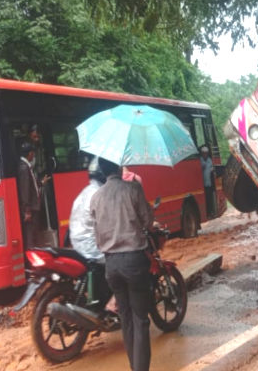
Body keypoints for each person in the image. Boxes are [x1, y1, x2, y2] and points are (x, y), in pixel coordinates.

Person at [91, 158, 154, 371]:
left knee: (126, 319)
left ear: (101, 170)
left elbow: (96, 232)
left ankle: (133, 367)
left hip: (112, 266)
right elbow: (147, 221)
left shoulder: (96, 197)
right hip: (134, 262)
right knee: (140, 320)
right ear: (119, 167)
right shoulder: (133, 189)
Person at [69, 157, 113, 313]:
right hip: (91, 246)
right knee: (117, 262)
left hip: (77, 243)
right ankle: (111, 305)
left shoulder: (85, 192)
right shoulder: (101, 194)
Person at [17, 141, 49, 248]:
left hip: (33, 207)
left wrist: (41, 183)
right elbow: (25, 190)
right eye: (33, 153)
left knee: (34, 232)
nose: (34, 155)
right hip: (31, 208)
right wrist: (27, 211)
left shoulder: (26, 166)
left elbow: (31, 184)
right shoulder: (24, 167)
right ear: (30, 153)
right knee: (31, 233)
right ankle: (32, 254)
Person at [199, 145, 216, 218]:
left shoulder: (209, 160)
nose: (205, 154)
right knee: (205, 200)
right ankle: (207, 214)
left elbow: (212, 169)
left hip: (209, 184)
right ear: (202, 153)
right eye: (204, 153)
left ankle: (211, 213)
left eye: (206, 153)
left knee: (209, 199)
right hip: (202, 185)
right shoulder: (200, 160)